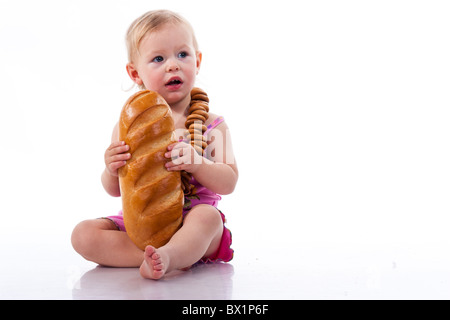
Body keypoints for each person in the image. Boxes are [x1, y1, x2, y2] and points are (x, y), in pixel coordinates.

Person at [71, 10, 238, 280]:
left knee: (208, 217)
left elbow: (229, 182)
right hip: (143, 225)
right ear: (135, 73)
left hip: (192, 223)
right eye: (158, 58)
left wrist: (197, 163)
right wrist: (110, 169)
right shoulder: (126, 127)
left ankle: (173, 254)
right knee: (82, 235)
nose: (173, 65)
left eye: (182, 54)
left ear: (197, 61)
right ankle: (162, 255)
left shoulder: (214, 125)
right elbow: (115, 190)